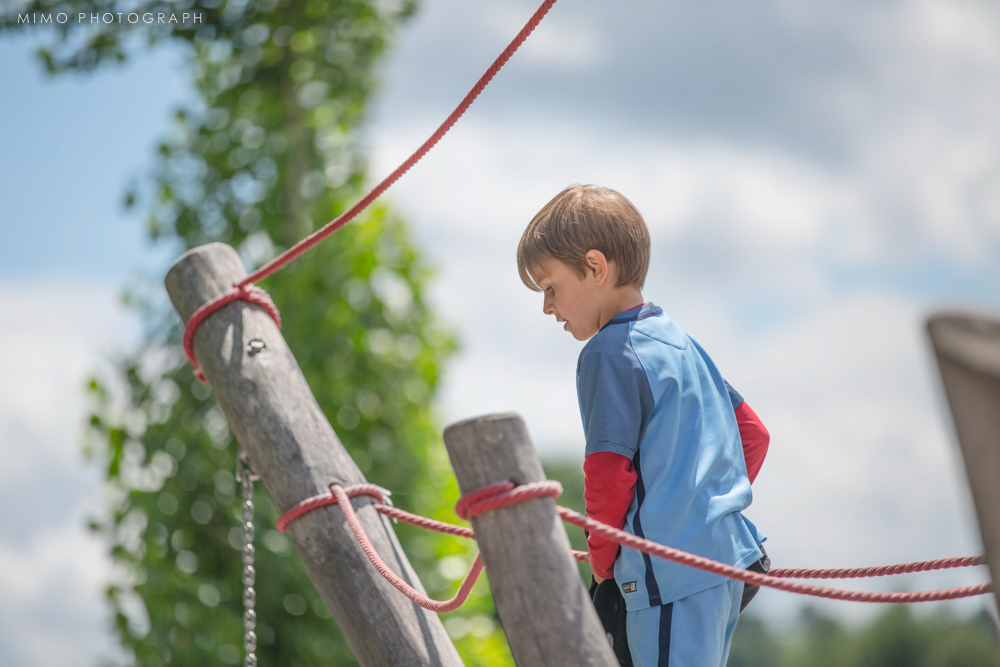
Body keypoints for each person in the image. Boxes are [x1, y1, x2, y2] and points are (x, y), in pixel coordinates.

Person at [516, 185, 769, 667]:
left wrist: (604, 564)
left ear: (595, 267)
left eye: (550, 288)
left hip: (667, 579)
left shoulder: (606, 355)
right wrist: (701, 511)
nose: (548, 308)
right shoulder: (679, 342)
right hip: (728, 564)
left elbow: (607, 474)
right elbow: (752, 435)